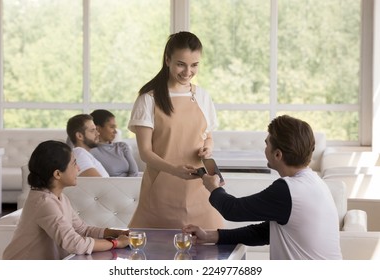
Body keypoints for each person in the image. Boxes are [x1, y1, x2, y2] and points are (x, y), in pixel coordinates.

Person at [183, 115, 343, 260]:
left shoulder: (288, 190)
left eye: (267, 144)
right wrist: (211, 236)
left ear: (278, 154)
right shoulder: (314, 182)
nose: (264, 149)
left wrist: (214, 188)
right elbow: (265, 232)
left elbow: (233, 210)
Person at [127, 31, 223, 229]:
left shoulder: (203, 96)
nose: (188, 72)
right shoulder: (148, 99)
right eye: (181, 64)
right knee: (156, 253)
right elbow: (145, 153)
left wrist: (207, 148)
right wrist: (174, 170)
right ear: (168, 59)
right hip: (161, 191)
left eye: (194, 65)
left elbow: (208, 136)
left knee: (211, 254)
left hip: (200, 188)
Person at [3, 140, 129, 260]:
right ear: (57, 174)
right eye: (74, 163)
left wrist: (116, 232)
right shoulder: (44, 203)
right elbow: (75, 244)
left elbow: (83, 230)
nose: (78, 169)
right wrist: (116, 243)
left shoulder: (59, 197)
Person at [90, 109, 139, 177]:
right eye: (112, 127)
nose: (115, 132)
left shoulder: (122, 146)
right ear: (98, 129)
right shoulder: (91, 151)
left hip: (130, 185)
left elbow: (134, 173)